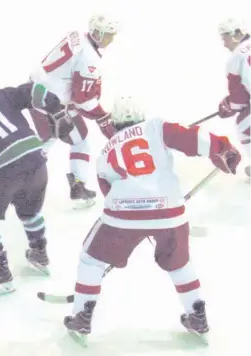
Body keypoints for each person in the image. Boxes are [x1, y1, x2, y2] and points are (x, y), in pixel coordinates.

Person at [63, 97, 241, 345]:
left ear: (114, 123)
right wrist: (223, 149)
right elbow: (191, 137)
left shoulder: (105, 152)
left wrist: (137, 220)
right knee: (179, 262)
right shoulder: (155, 127)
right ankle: (197, 315)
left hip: (123, 215)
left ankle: (81, 316)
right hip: (169, 212)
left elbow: (107, 190)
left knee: (91, 260)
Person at [0, 73, 63, 297]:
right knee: (29, 209)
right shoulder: (4, 95)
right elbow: (34, 91)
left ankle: (0, 272)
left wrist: (1, 180)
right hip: (36, 161)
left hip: (5, 171)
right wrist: (57, 109)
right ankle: (39, 252)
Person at [28, 14, 120, 208]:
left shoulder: (77, 36)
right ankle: (78, 188)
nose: (111, 39)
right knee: (81, 140)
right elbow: (83, 100)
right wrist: (103, 117)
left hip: (36, 91)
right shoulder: (90, 60)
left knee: (49, 138)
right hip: (52, 102)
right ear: (96, 33)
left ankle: (18, 174)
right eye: (107, 35)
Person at [217, 18, 250, 178]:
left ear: (236, 34)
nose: (224, 44)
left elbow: (239, 101)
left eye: (225, 38)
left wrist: (228, 106)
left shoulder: (235, 58)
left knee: (244, 126)